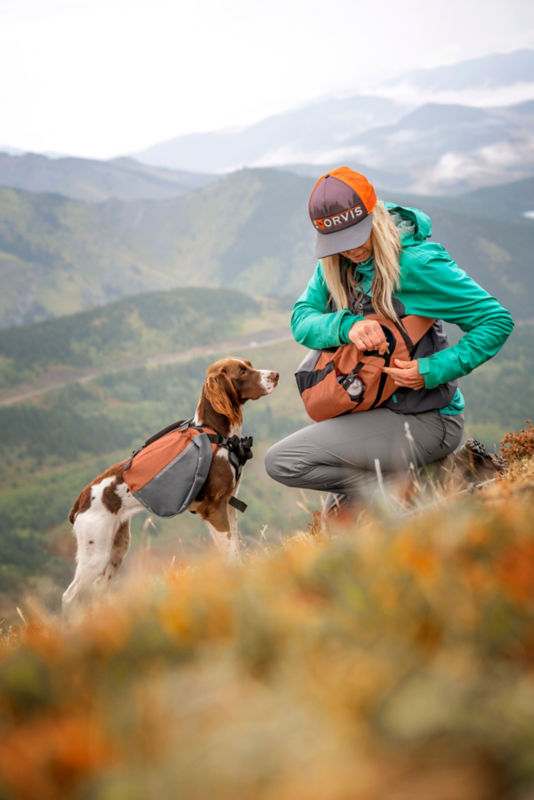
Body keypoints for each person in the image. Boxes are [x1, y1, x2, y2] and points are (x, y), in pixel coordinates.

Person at [264, 167, 514, 516]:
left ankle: (419, 497)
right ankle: (406, 492)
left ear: (374, 216)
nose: (348, 250)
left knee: (285, 461)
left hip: (427, 418)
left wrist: (431, 370)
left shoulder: (418, 264)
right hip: (372, 412)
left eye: (355, 236)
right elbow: (301, 319)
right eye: (338, 242)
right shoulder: (335, 265)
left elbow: (496, 320)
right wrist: (345, 326)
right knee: (338, 521)